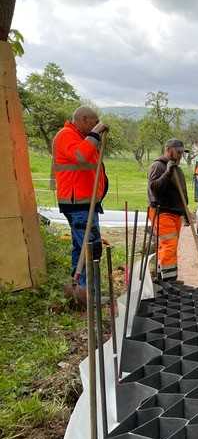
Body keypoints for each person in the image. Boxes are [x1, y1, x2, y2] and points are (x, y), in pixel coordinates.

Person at [53, 106, 109, 304]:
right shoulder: (66, 135)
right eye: (94, 122)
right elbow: (80, 156)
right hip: (78, 204)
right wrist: (94, 135)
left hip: (85, 203)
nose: (96, 125)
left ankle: (79, 290)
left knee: (81, 247)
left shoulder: (80, 137)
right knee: (90, 248)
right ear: (84, 120)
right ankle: (88, 295)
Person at [147, 138, 188, 282]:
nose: (180, 155)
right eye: (178, 152)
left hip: (175, 212)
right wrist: (168, 172)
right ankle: (169, 282)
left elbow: (182, 193)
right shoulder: (158, 166)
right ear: (169, 150)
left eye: (182, 152)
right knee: (169, 245)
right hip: (162, 211)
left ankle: (162, 277)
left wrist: (185, 211)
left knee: (169, 247)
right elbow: (155, 188)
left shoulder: (177, 169)